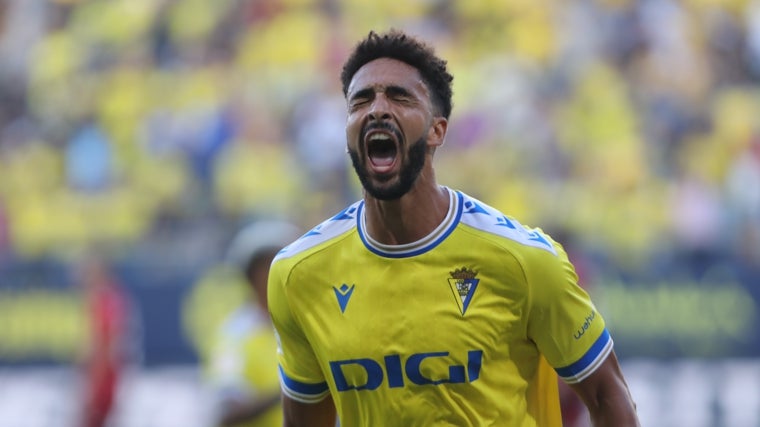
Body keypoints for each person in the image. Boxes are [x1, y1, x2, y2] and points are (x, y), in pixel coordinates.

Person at [267, 29, 641, 426]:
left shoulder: (525, 261)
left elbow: (607, 395)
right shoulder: (298, 275)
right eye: (360, 100)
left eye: (399, 96)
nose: (377, 109)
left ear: (436, 131)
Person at [206, 220, 302, 427]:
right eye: (272, 266)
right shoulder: (233, 336)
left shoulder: (305, 326)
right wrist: (298, 388)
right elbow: (227, 412)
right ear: (251, 276)